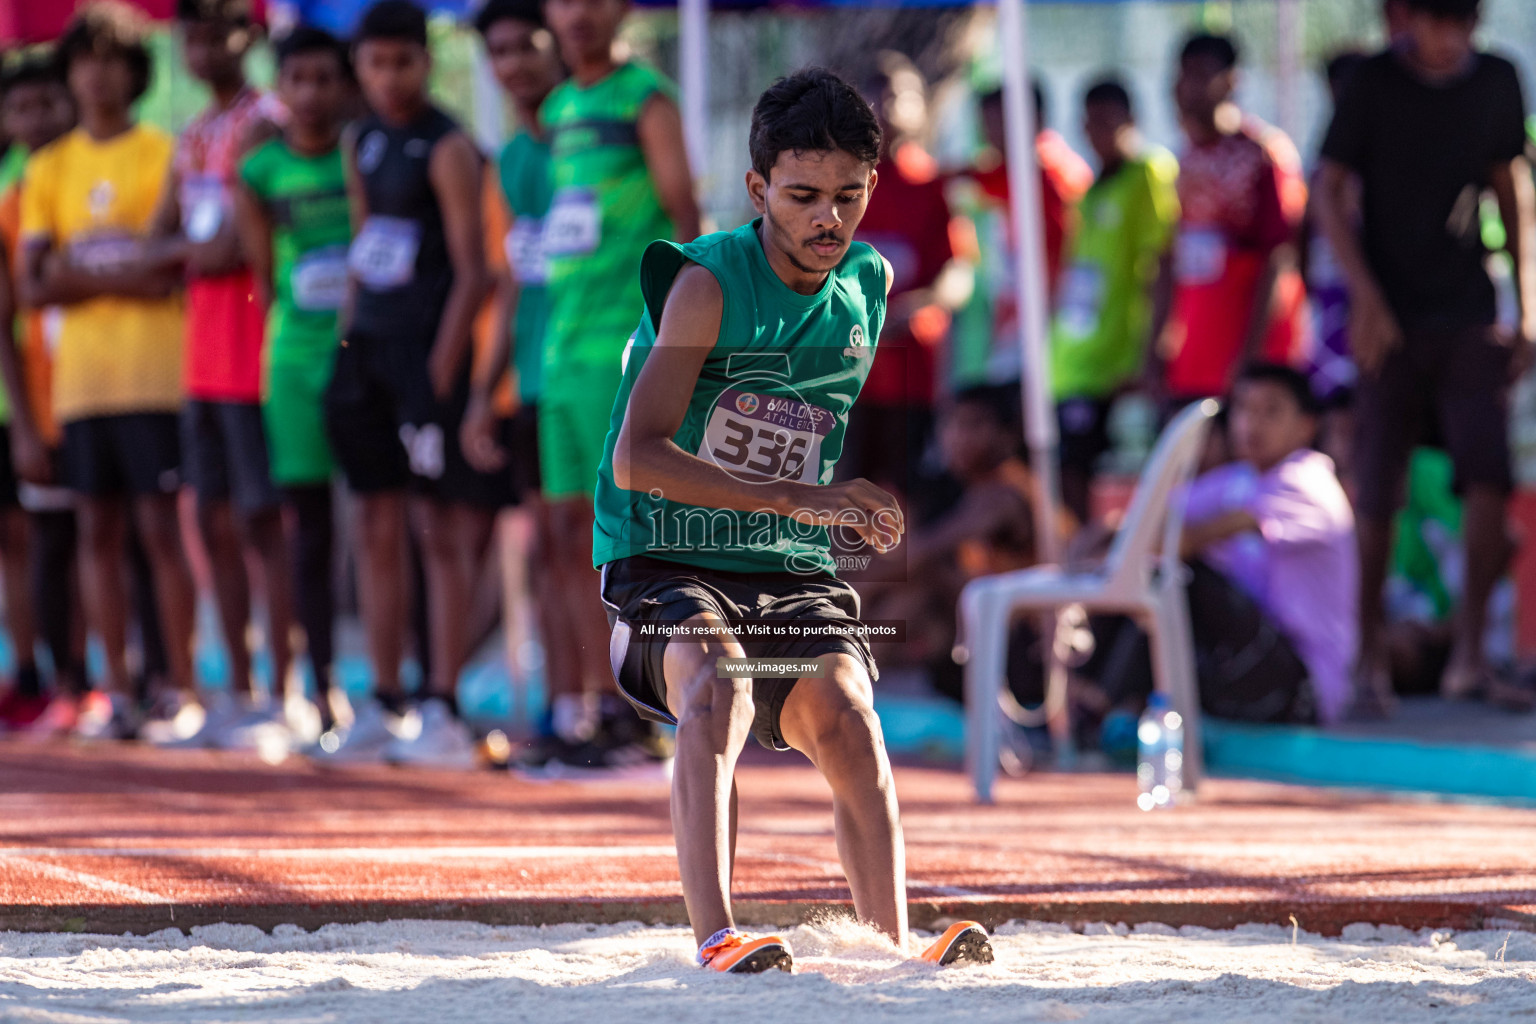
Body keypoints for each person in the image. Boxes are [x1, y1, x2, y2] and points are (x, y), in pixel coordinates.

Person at [595, 67, 992, 973]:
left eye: (847, 197)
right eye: (803, 195)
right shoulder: (706, 285)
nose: (827, 219)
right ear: (757, 189)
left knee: (850, 712)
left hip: (783, 564)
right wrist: (805, 497)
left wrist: (835, 506)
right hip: (664, 554)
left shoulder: (870, 283)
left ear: (872, 192)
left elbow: (793, 424)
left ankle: (893, 946)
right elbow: (633, 454)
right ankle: (717, 935)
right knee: (723, 680)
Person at [1316, 0, 1535, 712]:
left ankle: (1470, 655)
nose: (1448, 42)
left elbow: (1513, 192)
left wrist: (1527, 305)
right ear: (1405, 20)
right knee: (1378, 484)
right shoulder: (1373, 83)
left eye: (1462, 25)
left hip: (1469, 310)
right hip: (1391, 318)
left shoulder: (1498, 79)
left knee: (1488, 476)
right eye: (1435, 24)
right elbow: (1328, 190)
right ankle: (1367, 656)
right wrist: (1366, 300)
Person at [17, 1, 198, 740]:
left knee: (159, 531)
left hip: (155, 375)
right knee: (96, 531)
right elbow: (32, 285)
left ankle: (177, 687)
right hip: (81, 384)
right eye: (84, 60)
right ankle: (114, 689)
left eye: (112, 60)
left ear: (136, 72)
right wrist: (127, 265)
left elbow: (172, 271)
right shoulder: (48, 166)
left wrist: (80, 268)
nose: (97, 75)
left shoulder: (165, 152)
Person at [324, 0, 489, 766]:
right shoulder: (360, 140)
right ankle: (383, 700)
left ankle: (443, 703)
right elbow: (364, 247)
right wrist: (347, 344)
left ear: (427, 63)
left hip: (426, 361)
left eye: (403, 63)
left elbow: (475, 269)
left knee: (439, 531)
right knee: (374, 528)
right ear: (359, 67)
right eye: (375, 64)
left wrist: (440, 373)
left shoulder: (449, 145)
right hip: (367, 356)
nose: (388, 79)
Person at [538, 0, 701, 761]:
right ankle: (598, 708)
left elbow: (685, 219)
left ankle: (644, 711)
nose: (578, 13)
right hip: (559, 351)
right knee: (568, 532)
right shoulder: (561, 105)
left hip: (621, 348)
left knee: (622, 535)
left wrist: (680, 347)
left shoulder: (646, 98)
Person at [147, 0, 293, 745]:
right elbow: (161, 238)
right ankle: (234, 692)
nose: (203, 49)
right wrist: (167, 254)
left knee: (265, 522)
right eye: (192, 36)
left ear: (252, 35)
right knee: (212, 520)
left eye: (218, 33)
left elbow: (214, 251)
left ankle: (283, 694)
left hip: (253, 352)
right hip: (201, 361)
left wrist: (166, 255)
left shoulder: (265, 122)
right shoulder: (195, 133)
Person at [234, 25, 355, 736]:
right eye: (296, 81)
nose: (310, 95)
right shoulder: (259, 173)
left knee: (379, 519)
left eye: (323, 79)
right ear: (279, 91)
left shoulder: (362, 156)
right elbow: (262, 281)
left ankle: (406, 692)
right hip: (293, 363)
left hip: (364, 358)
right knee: (308, 528)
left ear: (344, 86)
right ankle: (321, 687)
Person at [461, 0, 569, 754]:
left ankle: (625, 708)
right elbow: (507, 283)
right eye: (497, 53)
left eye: (525, 47)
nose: (513, 66)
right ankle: (569, 712)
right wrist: (479, 395)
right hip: (531, 380)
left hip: (603, 368)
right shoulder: (509, 163)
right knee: (551, 549)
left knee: (607, 549)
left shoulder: (594, 132)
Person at [1180, 364, 1359, 724]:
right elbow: (1154, 520)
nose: (1251, 424)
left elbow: (1178, 542)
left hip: (1303, 687)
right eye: (1244, 409)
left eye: (1271, 411)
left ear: (1307, 425)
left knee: (1181, 577)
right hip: (1256, 666)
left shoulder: (1306, 481)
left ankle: (1105, 701)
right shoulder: (1241, 479)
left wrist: (1126, 542)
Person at [1151, 33, 1305, 410]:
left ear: (1232, 81)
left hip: (1250, 364)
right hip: (1192, 363)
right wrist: (1155, 347)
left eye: (1203, 74)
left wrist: (1252, 356)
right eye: (1184, 75)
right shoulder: (1181, 159)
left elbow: (1279, 255)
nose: (1189, 87)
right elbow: (1170, 260)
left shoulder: (1262, 154)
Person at [1049, 77, 1179, 523]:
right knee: (1070, 471)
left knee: (1117, 479)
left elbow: (1162, 263)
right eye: (1088, 121)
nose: (1096, 131)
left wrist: (1152, 350)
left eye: (1107, 119)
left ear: (1132, 119)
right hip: (1075, 361)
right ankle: (1081, 564)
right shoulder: (1089, 190)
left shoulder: (1147, 174)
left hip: (1119, 363)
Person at [0, 50, 81, 733]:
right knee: (36, 539)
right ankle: (41, 676)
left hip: (87, 384)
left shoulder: (85, 171)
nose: (34, 119)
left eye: (45, 103)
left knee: (106, 532)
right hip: (27, 394)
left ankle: (108, 676)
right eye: (19, 107)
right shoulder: (11, 189)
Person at [844, 53, 968, 499]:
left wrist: (917, 308)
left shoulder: (933, 185)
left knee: (905, 497)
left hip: (913, 374)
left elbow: (958, 273)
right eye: (876, 95)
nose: (888, 105)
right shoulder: (841, 184)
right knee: (845, 491)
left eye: (899, 94)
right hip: (843, 374)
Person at [1298, 52, 1367, 480]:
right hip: (1328, 306)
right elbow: (1306, 229)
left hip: (1371, 304)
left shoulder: (1386, 149)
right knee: (1332, 412)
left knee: (1367, 415)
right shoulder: (1323, 153)